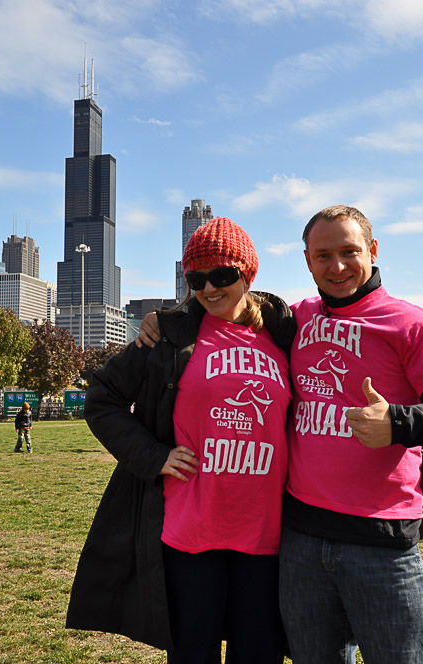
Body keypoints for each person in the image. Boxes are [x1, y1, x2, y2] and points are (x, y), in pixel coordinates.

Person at [136, 205, 423, 663]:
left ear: (373, 250)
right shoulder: (293, 320)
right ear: (307, 260)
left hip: (381, 541)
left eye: (349, 251)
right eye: (323, 255)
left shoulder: (411, 324)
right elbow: (227, 298)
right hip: (300, 538)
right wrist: (166, 320)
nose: (336, 266)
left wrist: (398, 423)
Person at [66, 217, 294, 663]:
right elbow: (102, 399)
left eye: (223, 275)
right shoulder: (168, 335)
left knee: (261, 654)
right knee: (193, 653)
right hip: (192, 532)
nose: (209, 289)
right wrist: (154, 457)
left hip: (266, 533)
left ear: (248, 274)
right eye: (197, 278)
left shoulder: (283, 334)